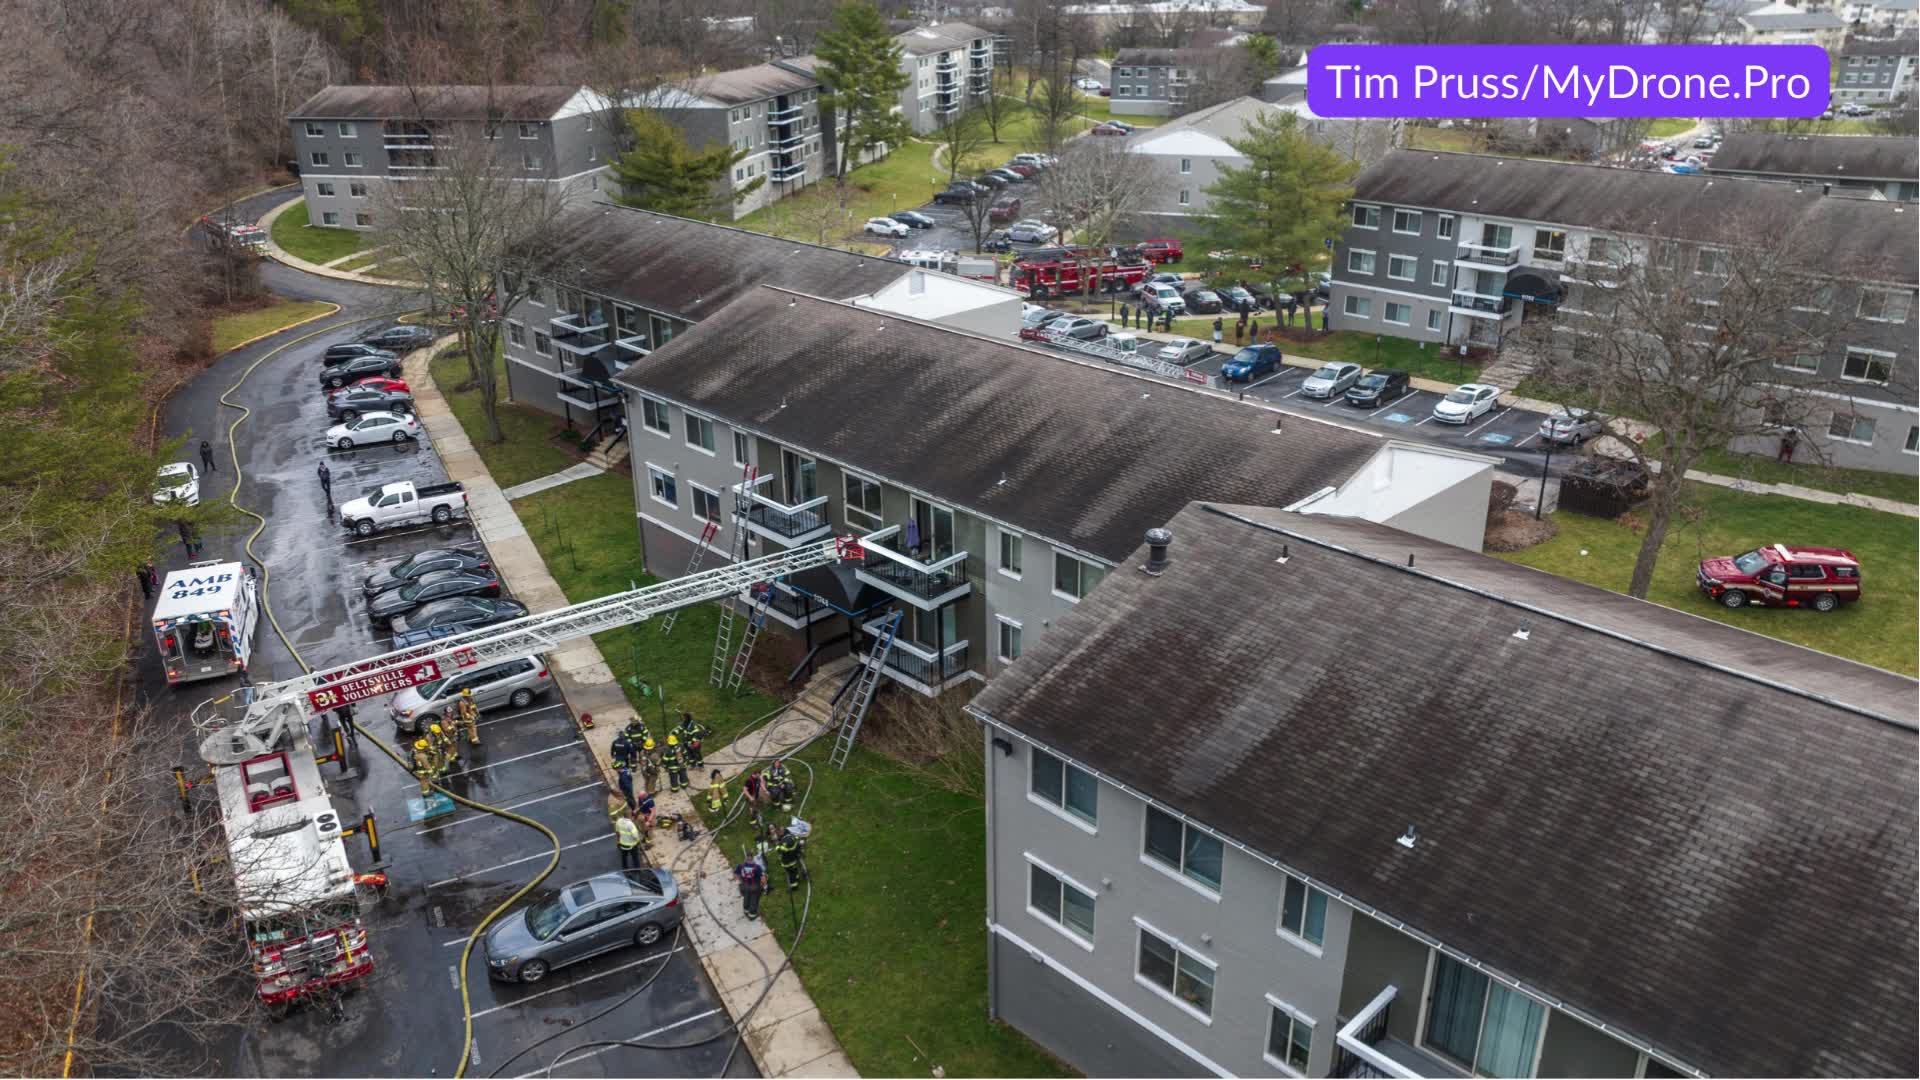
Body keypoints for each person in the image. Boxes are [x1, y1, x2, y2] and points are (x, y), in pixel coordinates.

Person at [775, 827, 807, 892]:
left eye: (779, 832)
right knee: (794, 870)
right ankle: (797, 878)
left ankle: (794, 886)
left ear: (782, 832)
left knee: (790, 874)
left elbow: (783, 850)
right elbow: (797, 842)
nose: (778, 834)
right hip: (793, 858)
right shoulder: (791, 836)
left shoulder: (786, 841)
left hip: (788, 861)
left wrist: (777, 847)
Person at [611, 804, 643, 869]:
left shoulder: (618, 821)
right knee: (635, 858)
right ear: (630, 815)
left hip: (623, 844)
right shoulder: (631, 824)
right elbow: (635, 836)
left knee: (624, 857)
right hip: (632, 845)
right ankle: (637, 870)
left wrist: (618, 841)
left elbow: (617, 832)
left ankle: (625, 868)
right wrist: (638, 841)